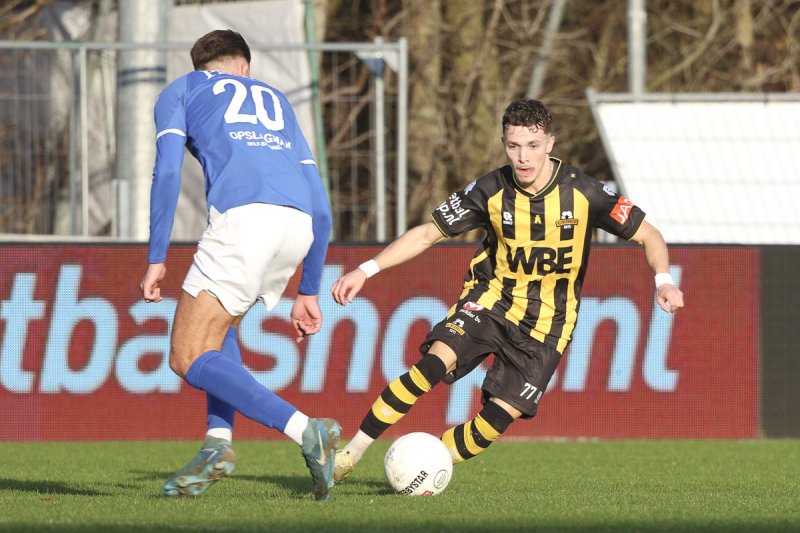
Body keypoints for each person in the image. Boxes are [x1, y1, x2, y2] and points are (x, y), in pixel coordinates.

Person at [331, 98, 684, 481]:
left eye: (532, 146)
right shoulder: (489, 190)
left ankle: (424, 464)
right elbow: (427, 234)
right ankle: (348, 456)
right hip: (491, 302)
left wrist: (663, 280)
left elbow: (649, 235)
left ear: (550, 143)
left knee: (492, 424)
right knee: (431, 365)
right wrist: (366, 270)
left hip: (548, 325)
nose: (523, 157)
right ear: (504, 144)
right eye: (513, 146)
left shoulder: (585, 192)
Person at [139, 29, 340, 500]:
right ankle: (218, 442)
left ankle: (306, 429)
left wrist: (156, 258)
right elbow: (321, 205)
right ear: (244, 67)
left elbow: (167, 171)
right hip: (297, 225)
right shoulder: (277, 102)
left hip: (244, 222)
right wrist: (308, 288)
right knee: (222, 328)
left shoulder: (182, 89)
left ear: (199, 67)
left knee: (186, 355)